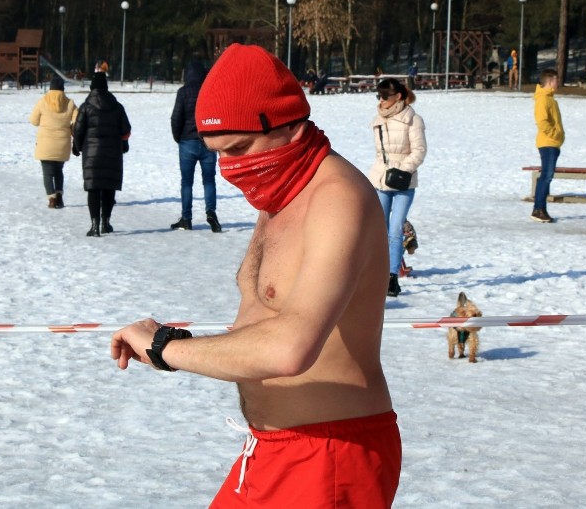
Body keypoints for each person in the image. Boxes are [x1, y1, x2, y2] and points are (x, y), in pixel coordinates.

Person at [110, 44, 400, 507]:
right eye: (218, 154)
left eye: (240, 149)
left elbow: (291, 348)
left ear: (290, 125)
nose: (230, 169)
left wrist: (167, 349)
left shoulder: (336, 199)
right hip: (270, 449)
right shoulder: (282, 190)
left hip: (330, 453)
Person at [367, 77, 427, 297]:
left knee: (395, 229)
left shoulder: (413, 120)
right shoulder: (378, 119)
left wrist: (403, 170)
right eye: (378, 96)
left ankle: (392, 277)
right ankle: (378, 273)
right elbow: (379, 154)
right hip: (380, 181)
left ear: (398, 96)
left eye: (385, 96)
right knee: (379, 230)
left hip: (403, 182)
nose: (381, 101)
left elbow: (419, 150)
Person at [72, 72, 131, 236]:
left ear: (92, 88)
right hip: (113, 153)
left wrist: (77, 147)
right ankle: (106, 222)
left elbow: (78, 130)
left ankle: (94, 225)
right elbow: (126, 130)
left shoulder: (86, 107)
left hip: (91, 154)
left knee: (93, 189)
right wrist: (123, 143)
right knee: (108, 187)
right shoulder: (117, 106)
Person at [169, 61, 221, 232]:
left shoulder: (183, 92)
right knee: (209, 180)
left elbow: (176, 118)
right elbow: (216, 116)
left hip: (187, 142)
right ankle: (211, 212)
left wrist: (179, 138)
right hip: (207, 142)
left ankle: (186, 218)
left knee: (186, 182)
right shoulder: (210, 92)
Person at [29, 77, 78, 209]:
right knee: (58, 171)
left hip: (45, 144)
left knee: (47, 173)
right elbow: (78, 120)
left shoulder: (42, 101)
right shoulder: (70, 103)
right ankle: (60, 197)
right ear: (63, 88)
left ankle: (52, 199)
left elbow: (33, 121)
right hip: (62, 144)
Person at [531, 68, 564, 223]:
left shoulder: (550, 99)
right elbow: (542, 122)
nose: (558, 83)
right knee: (546, 177)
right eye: (556, 80)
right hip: (548, 143)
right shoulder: (543, 99)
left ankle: (540, 208)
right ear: (550, 82)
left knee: (546, 177)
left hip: (553, 143)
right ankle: (538, 209)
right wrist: (554, 134)